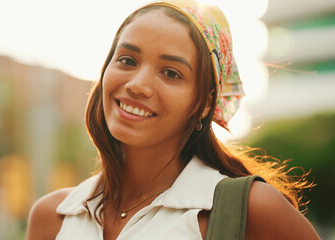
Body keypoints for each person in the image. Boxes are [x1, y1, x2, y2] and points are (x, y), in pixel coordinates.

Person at [27, 0, 320, 239]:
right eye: (127, 60)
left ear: (204, 103)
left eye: (171, 73)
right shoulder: (51, 217)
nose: (137, 84)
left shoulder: (251, 209)